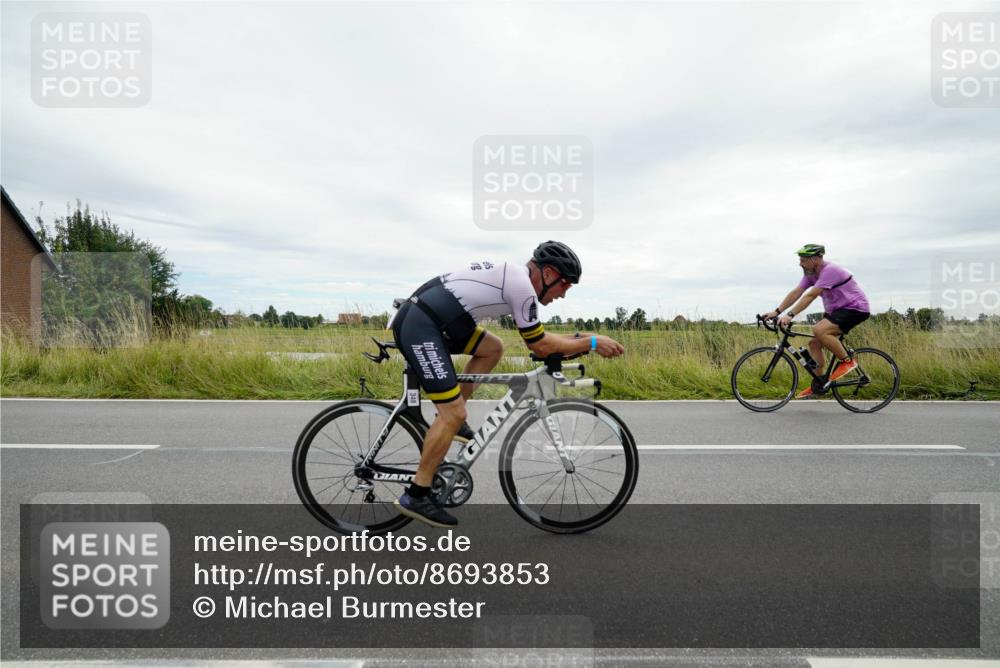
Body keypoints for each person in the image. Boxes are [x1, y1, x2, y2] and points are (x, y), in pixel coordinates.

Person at [390, 241, 625, 527]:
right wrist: (591, 343)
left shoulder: (516, 279)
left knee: (493, 348)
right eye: (565, 285)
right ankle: (416, 494)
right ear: (548, 274)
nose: (563, 294)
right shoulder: (522, 287)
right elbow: (540, 345)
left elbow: (542, 338)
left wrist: (582, 339)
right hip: (422, 324)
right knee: (454, 414)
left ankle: (450, 421)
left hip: (442, 320)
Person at [761, 244, 871, 398]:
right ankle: (818, 384)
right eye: (800, 260)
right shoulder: (811, 274)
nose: (800, 264)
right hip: (836, 311)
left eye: (803, 260)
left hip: (855, 308)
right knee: (814, 344)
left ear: (816, 259)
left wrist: (790, 315)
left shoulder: (830, 271)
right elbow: (797, 292)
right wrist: (777, 312)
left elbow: (810, 295)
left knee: (819, 330)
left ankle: (847, 361)